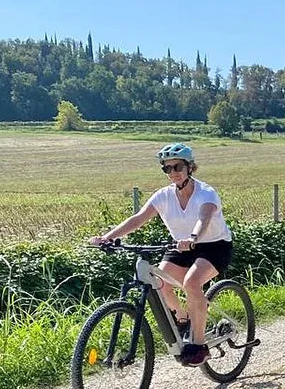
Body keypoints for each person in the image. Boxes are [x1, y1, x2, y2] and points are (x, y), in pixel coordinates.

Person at [90, 143, 233, 367]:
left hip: (214, 245)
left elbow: (204, 218)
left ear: (190, 167)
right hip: (181, 246)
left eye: (177, 167)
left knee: (192, 283)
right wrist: (107, 237)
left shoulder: (206, 193)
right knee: (159, 282)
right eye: (167, 169)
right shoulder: (164, 196)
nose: (173, 172)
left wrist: (193, 237)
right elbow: (138, 219)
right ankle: (184, 319)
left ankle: (198, 345)